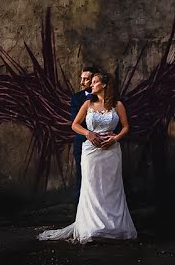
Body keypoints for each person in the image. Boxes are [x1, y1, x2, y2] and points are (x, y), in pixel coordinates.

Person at [38, 71, 137, 243]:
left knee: (112, 189)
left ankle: (114, 228)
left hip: (112, 152)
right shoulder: (87, 104)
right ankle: (92, 228)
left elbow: (126, 127)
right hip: (91, 152)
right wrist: (88, 134)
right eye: (91, 82)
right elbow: (74, 125)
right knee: (92, 188)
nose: (91, 85)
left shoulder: (117, 105)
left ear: (104, 85)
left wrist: (116, 138)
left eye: (95, 82)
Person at [70, 66, 99, 203]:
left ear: (94, 80)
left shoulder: (108, 99)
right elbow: (75, 122)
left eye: (86, 79)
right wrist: (89, 134)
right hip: (82, 143)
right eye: (81, 79)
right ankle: (79, 215)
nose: (82, 82)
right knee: (82, 179)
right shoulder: (77, 98)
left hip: (104, 145)